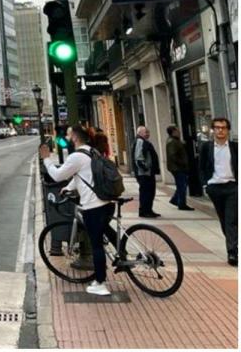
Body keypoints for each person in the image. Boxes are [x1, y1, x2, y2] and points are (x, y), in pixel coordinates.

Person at [41, 125, 118, 296]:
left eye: (68, 134)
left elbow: (57, 175)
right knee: (105, 229)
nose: (66, 137)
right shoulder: (92, 151)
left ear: (75, 137)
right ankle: (123, 254)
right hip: (106, 202)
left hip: (93, 206)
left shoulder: (76, 156)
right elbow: (83, 176)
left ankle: (100, 283)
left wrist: (46, 159)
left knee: (97, 244)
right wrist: (68, 188)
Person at [199, 118, 237, 266]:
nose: (220, 130)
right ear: (213, 130)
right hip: (214, 187)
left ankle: (232, 252)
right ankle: (233, 243)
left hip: (232, 187)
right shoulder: (206, 148)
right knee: (223, 220)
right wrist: (205, 184)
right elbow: (201, 167)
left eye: (223, 128)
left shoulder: (235, 147)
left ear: (228, 130)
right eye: (217, 128)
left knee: (231, 220)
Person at [132, 125, 161, 218]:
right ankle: (145, 211)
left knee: (150, 192)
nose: (148, 134)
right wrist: (146, 168)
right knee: (146, 192)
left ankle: (148, 210)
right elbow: (138, 158)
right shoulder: (140, 142)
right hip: (144, 174)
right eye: (146, 132)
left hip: (147, 173)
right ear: (140, 133)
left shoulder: (144, 141)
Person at [165, 126, 193, 211]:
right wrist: (182, 163)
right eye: (177, 130)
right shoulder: (172, 142)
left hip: (178, 167)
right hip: (177, 168)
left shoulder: (175, 140)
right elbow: (173, 155)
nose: (179, 132)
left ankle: (175, 199)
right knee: (182, 185)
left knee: (182, 184)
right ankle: (181, 203)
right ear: (173, 132)